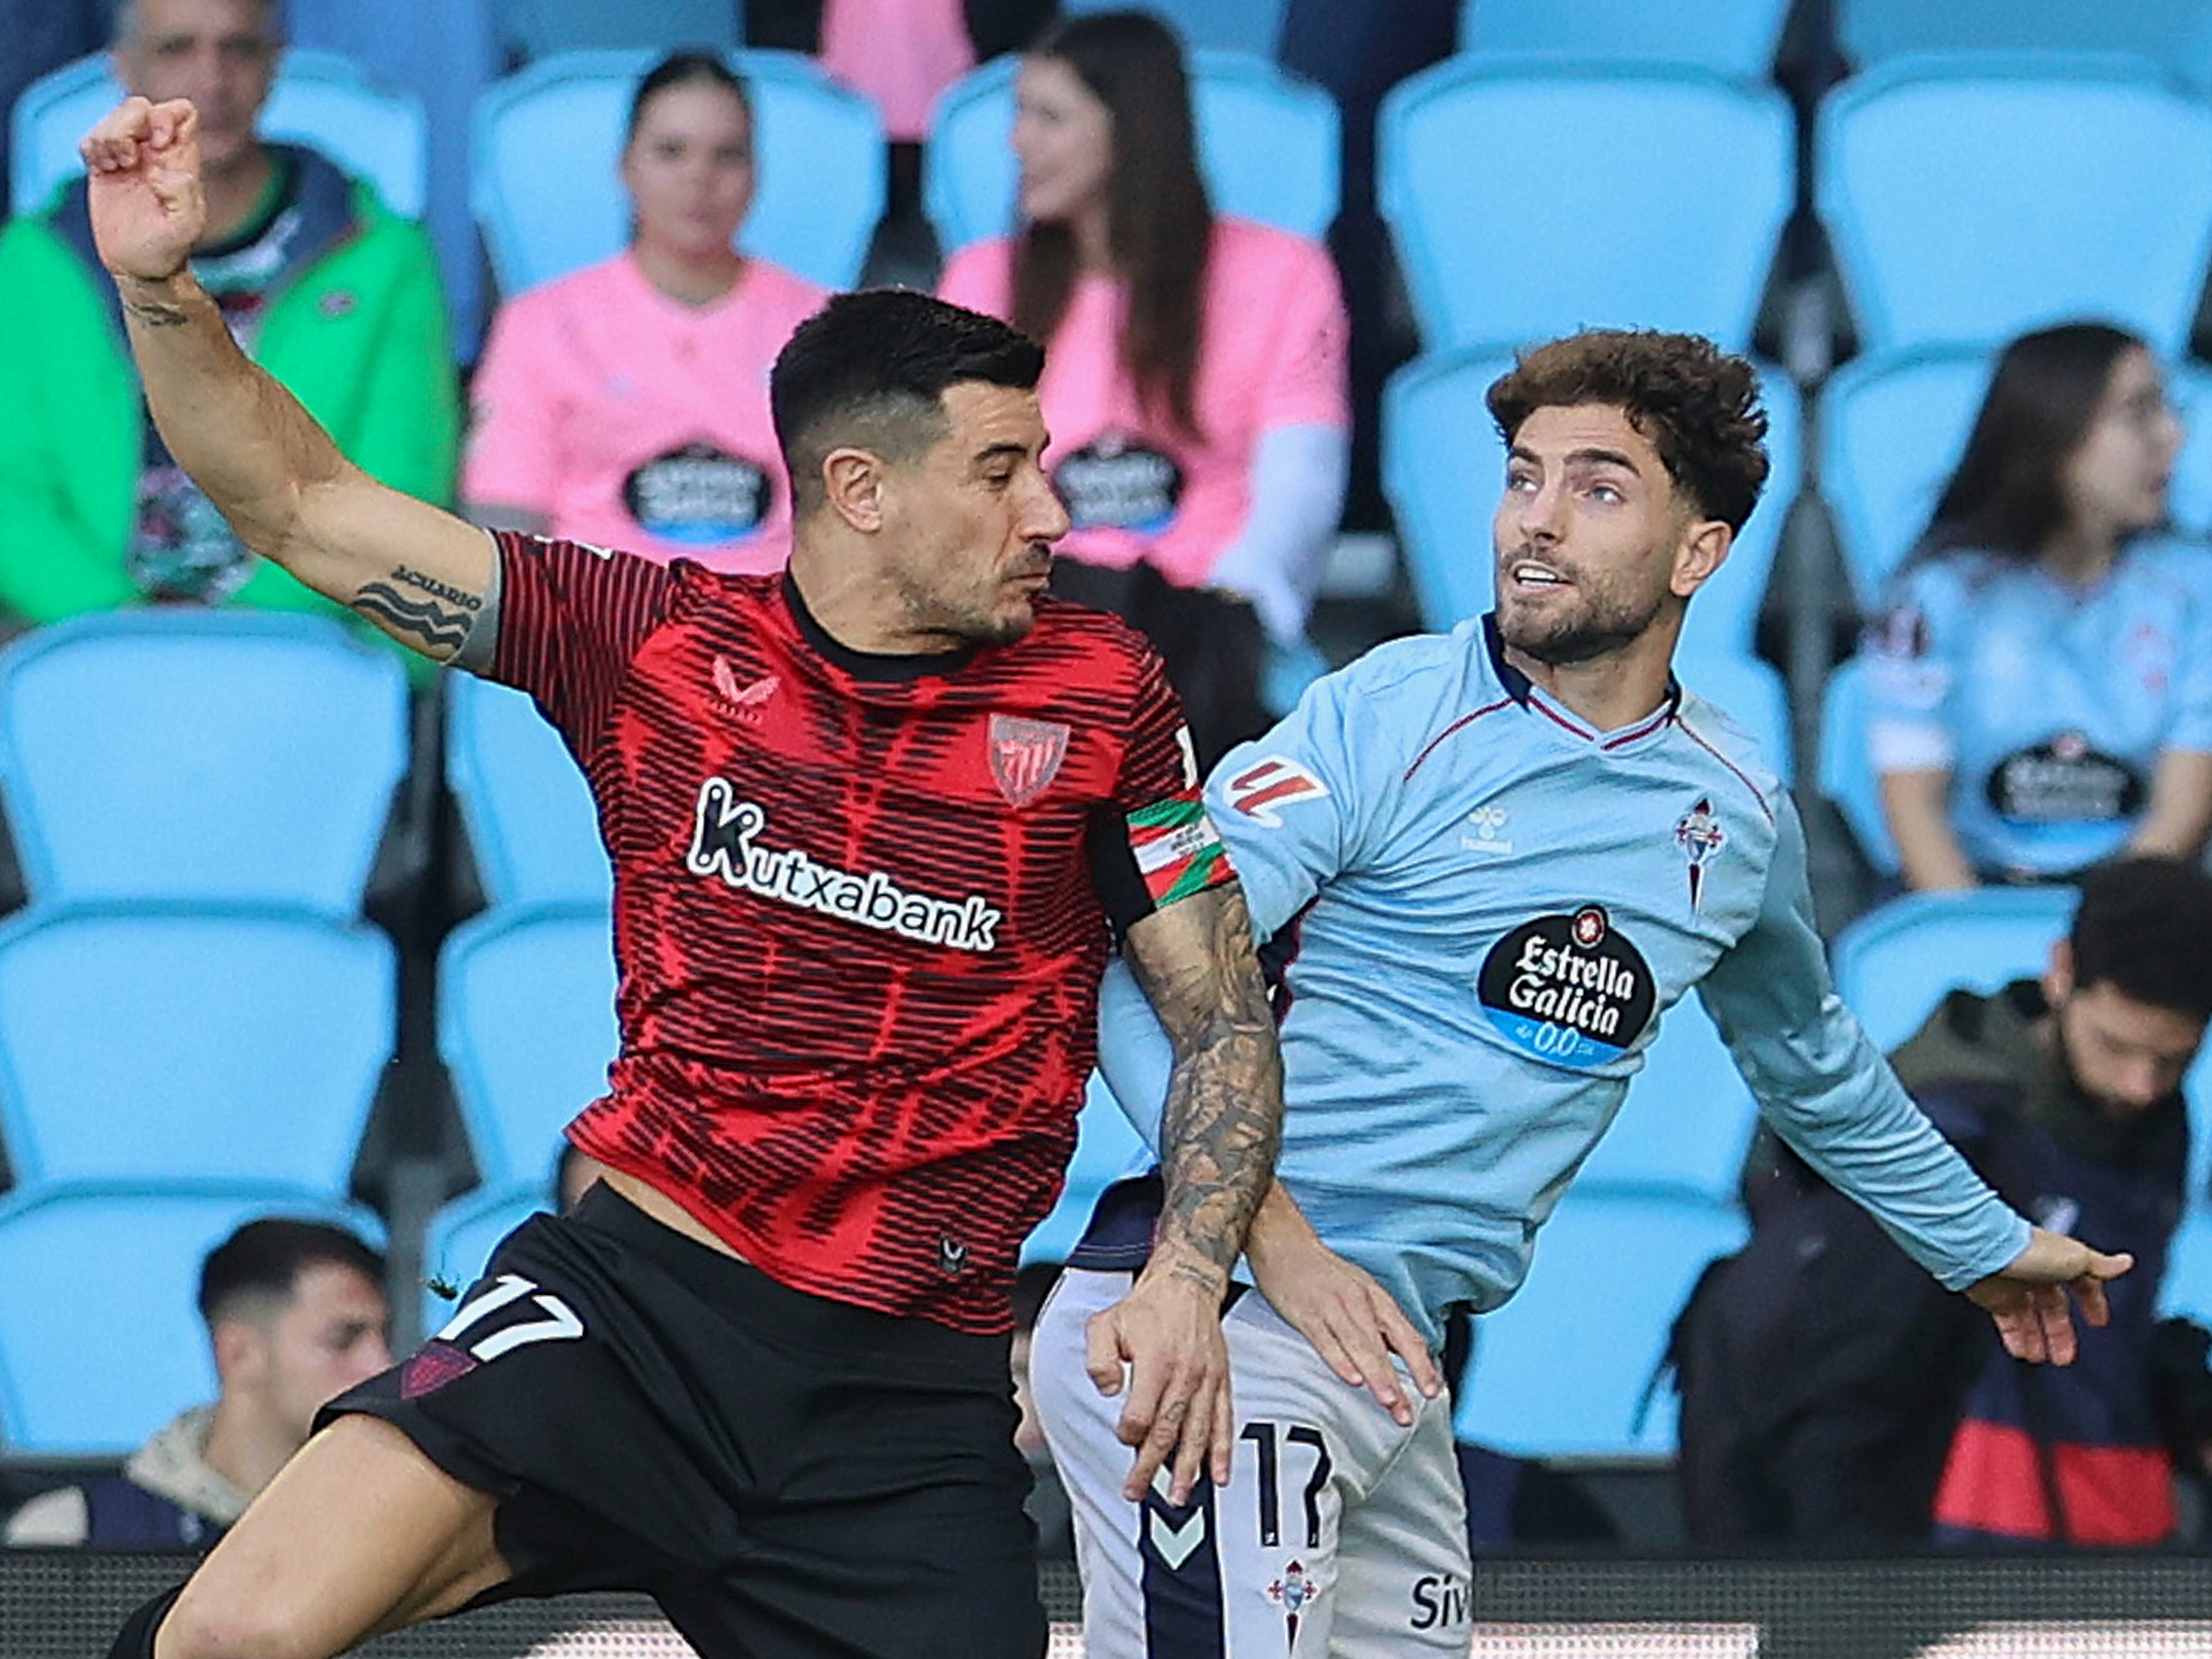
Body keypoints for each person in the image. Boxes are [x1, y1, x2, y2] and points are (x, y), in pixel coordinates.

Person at [84, 94, 1282, 1659]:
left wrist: (1188, 1272)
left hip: (901, 1402)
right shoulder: (650, 644)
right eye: (1000, 471)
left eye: (1043, 464)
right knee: (228, 1633)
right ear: (861, 488)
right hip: (628, 1313)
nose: (1050, 512)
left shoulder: (1102, 692)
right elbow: (299, 506)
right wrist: (164, 288)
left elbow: (1222, 1014)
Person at [1030, 328, 2136, 1657]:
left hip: (1390, 1356)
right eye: (1522, 476)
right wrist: (1269, 1239)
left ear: (1696, 552)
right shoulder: (1387, 712)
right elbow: (1147, 967)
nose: (1535, 521)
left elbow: (1813, 1066)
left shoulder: (1732, 810)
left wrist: (1979, 1242)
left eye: (1596, 486)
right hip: (1219, 1318)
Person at [1676, 856, 2212, 1549]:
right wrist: (1858, 1595)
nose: (2141, 1085)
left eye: (2173, 1060)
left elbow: (2093, 1360)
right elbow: (1841, 1413)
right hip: (1946, 1565)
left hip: (2097, 1553)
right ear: (2060, 973)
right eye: (2116, 1046)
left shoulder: (2153, 1127)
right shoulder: (1940, 1140)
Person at [937, 9, 1352, 770]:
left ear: (1131, 131)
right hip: (1033, 607)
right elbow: (953, 487)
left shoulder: (1282, 274)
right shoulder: (981, 278)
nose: (1018, 142)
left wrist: (1232, 604)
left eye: (1049, 118)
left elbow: (1300, 481)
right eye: (1020, 114)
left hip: (1204, 609)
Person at [0, 0, 457, 636]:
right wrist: (121, 627)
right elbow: (12, 496)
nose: (212, 80)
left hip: (317, 641)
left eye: (239, 49)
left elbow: (400, 481)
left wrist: (246, 638)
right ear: (124, 68)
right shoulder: (36, 259)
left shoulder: (380, 254)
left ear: (275, 64)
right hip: (87, 640)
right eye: (177, 49)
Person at [1863, 321, 2212, 889]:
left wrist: (2098, 933)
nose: (2171, 435)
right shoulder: (1935, 596)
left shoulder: (2197, 588)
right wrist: (1972, 929)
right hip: (1970, 894)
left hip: (2135, 905)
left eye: (2169, 410)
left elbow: (2182, 812)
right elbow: (1914, 805)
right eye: (2138, 413)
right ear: (2055, 431)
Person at [462, 52, 827, 573]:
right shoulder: (540, 326)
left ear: (757, 173)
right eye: (671, 152)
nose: (700, 177)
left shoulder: (826, 329)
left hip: (778, 616)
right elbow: (504, 530)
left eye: (727, 155)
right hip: (592, 614)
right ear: (626, 167)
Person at [4, 1219, 390, 1548]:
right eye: (343, 1339)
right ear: (238, 1353)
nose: (382, 1365)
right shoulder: (74, 1532)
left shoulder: (398, 1534)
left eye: (383, 1337)